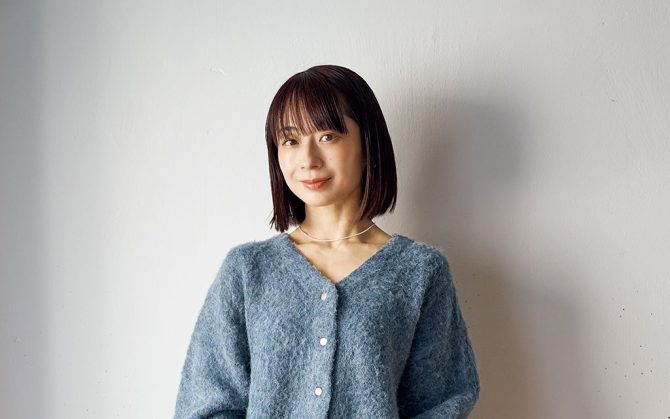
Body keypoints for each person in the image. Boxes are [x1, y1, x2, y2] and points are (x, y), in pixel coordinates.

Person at [174, 64, 480, 418]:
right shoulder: (247, 271)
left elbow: (443, 401)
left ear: (367, 143)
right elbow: (207, 403)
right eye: (290, 141)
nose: (308, 160)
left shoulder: (419, 272)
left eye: (327, 136)